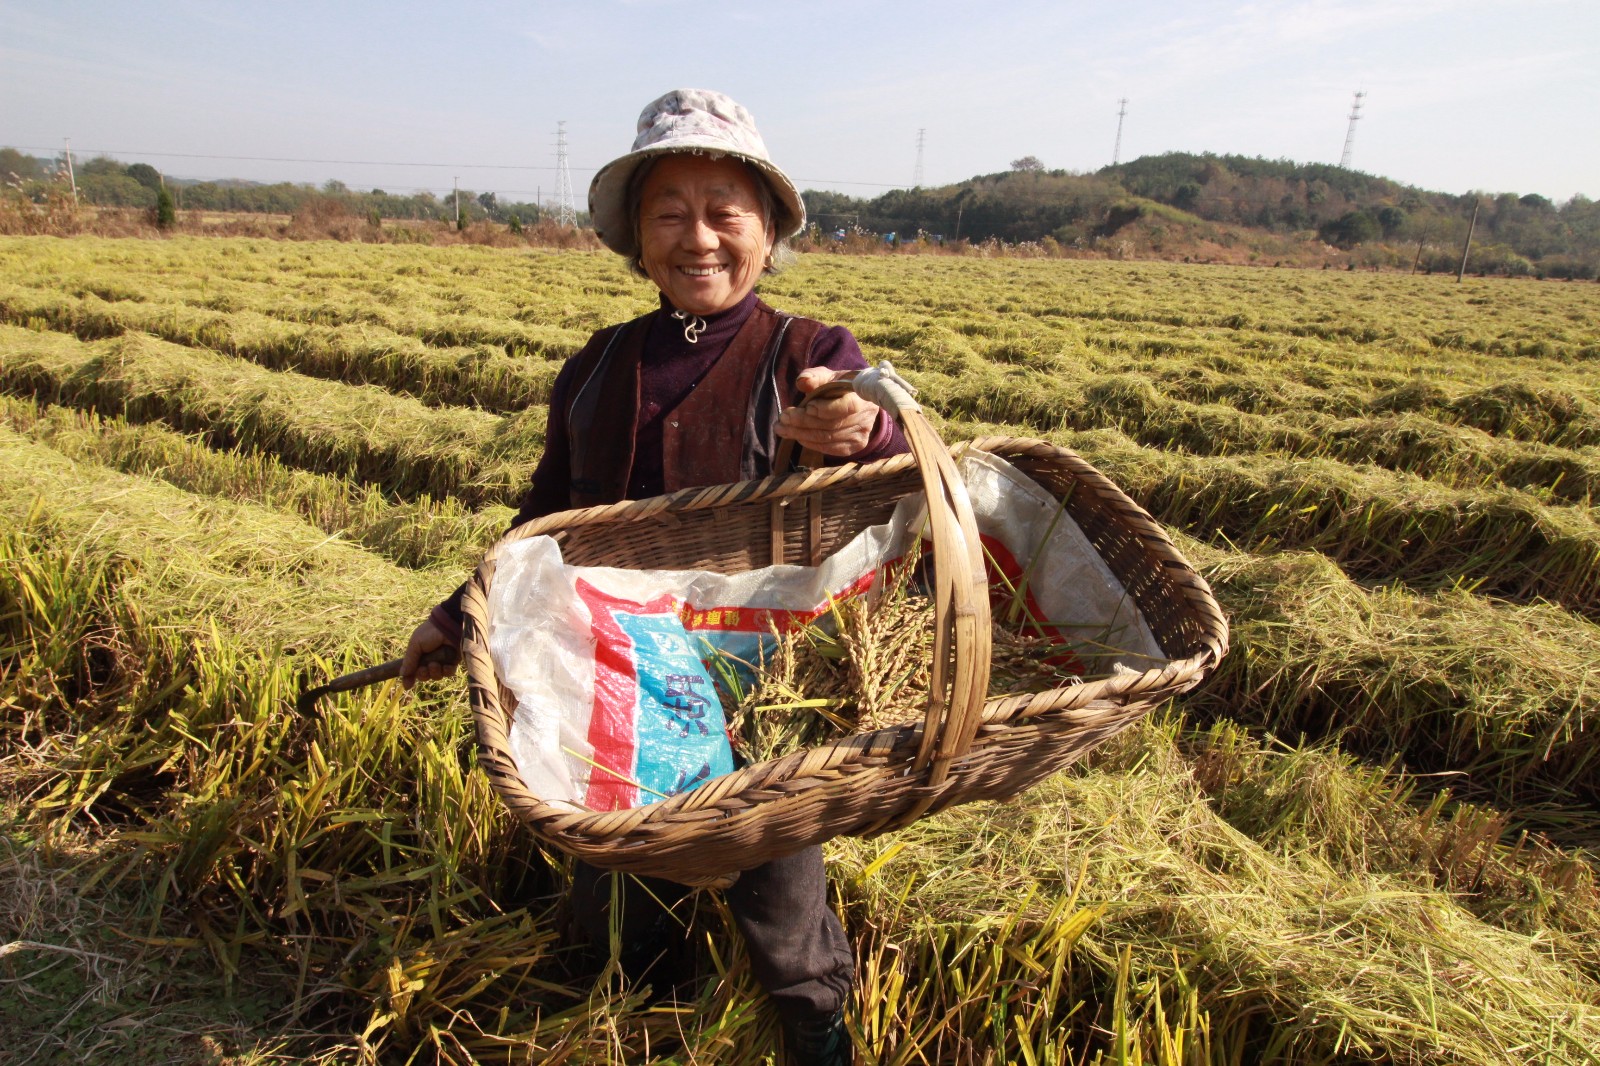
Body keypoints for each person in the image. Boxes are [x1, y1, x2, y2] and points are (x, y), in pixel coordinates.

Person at [399, 88, 908, 1065]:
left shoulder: (808, 355)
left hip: (760, 688)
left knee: (779, 894)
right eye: (669, 211)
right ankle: (639, 1019)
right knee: (616, 890)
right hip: (619, 685)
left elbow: (877, 434)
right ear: (636, 236)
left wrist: (857, 431)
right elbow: (540, 528)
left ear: (769, 230)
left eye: (726, 210)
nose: (700, 236)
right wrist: (457, 614)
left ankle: (817, 1035)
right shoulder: (597, 367)